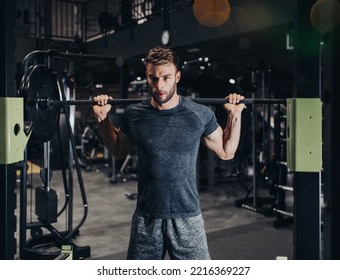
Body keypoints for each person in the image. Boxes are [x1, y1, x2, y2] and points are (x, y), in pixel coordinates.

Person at [93, 46, 245, 260]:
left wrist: (235, 116)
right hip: (147, 217)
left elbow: (226, 152)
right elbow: (118, 151)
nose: (159, 85)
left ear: (178, 77)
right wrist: (102, 120)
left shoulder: (199, 114)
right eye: (153, 78)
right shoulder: (134, 114)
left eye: (166, 77)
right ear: (147, 77)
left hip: (187, 217)